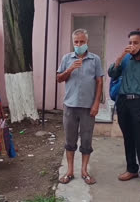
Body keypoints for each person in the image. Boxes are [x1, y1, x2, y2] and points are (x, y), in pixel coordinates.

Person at [108, 30, 140, 190]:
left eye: (135, 43)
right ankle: (132, 169)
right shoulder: (125, 59)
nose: (132, 45)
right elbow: (111, 73)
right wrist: (119, 57)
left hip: (139, 103)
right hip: (123, 102)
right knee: (128, 138)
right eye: (130, 42)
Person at [57, 29, 104, 185]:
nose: (79, 45)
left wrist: (96, 103)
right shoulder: (66, 58)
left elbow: (99, 82)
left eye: (82, 42)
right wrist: (70, 68)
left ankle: (84, 171)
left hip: (87, 108)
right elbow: (59, 78)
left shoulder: (95, 59)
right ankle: (70, 171)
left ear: (87, 42)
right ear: (73, 42)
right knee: (70, 140)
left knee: (86, 140)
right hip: (70, 106)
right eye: (76, 42)